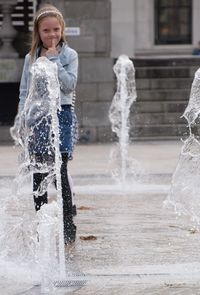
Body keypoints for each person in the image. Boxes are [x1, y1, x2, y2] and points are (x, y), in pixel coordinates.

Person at [18, 4, 78, 245]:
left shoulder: (70, 56)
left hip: (62, 115)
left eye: (55, 29)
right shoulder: (30, 58)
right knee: (39, 172)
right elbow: (24, 91)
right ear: (38, 32)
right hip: (38, 118)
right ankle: (42, 225)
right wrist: (22, 119)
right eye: (46, 30)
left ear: (62, 29)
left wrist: (55, 62)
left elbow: (69, 86)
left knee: (60, 172)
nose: (51, 35)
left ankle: (67, 225)